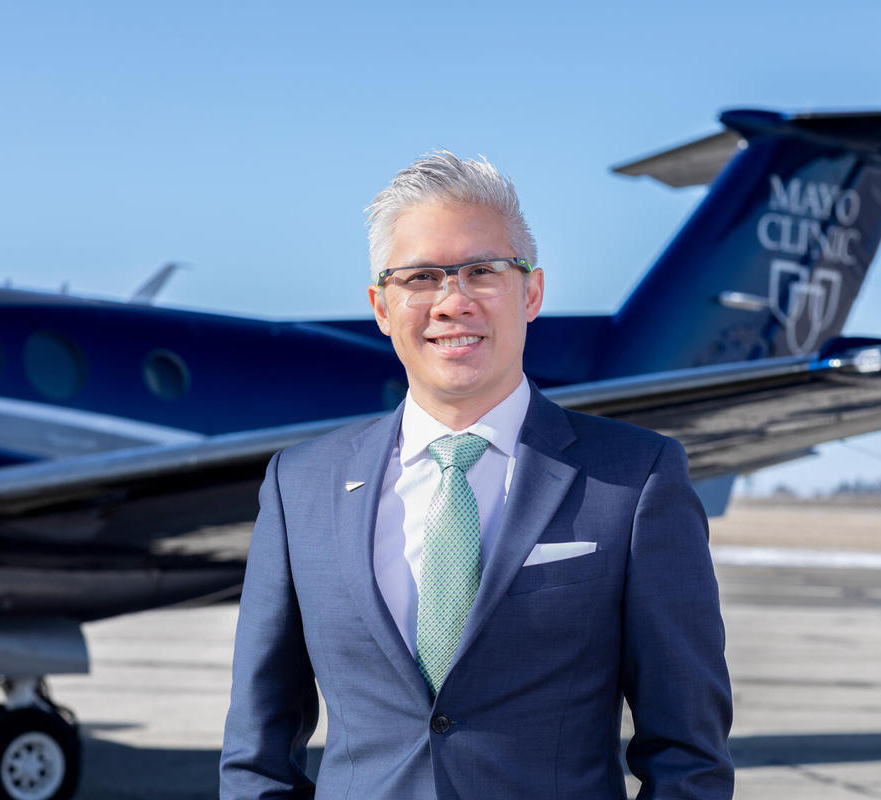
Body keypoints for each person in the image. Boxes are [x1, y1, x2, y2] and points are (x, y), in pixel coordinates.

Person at [220, 151, 733, 799]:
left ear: (532, 293)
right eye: (420, 277)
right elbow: (257, 752)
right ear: (381, 307)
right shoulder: (300, 486)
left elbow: (688, 752)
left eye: (483, 271)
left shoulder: (636, 480)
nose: (452, 302)